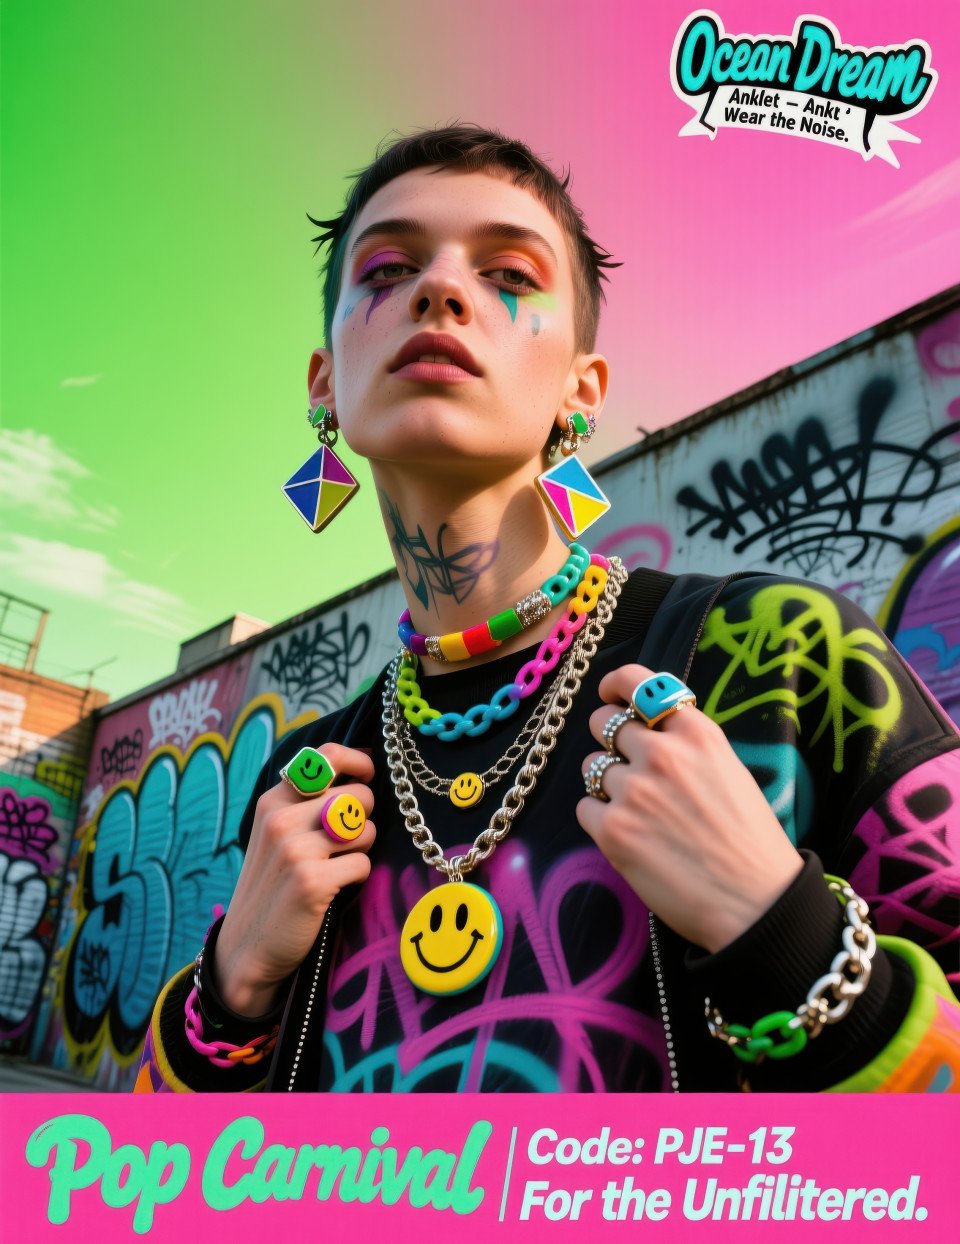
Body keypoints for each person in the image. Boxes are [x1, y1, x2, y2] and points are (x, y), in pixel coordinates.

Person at [136, 125, 959, 1094]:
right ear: (326, 384)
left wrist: (783, 935)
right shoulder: (307, 779)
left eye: (510, 275)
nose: (440, 290)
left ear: (583, 388)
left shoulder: (776, 654)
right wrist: (231, 990)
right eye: (390, 265)